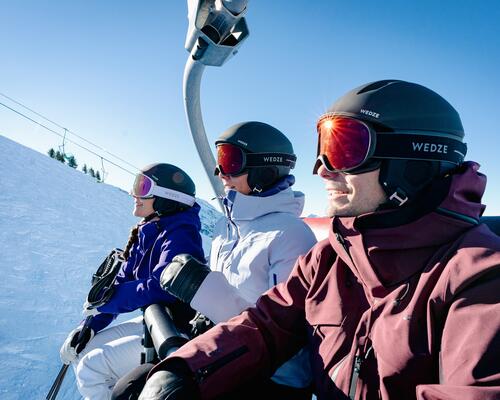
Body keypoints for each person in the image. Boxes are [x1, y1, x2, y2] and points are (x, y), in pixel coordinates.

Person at [138, 80, 500, 400]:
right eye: (324, 146)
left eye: (346, 149)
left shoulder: (479, 278)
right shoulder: (330, 258)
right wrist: (185, 371)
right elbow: (265, 325)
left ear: (414, 162)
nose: (322, 168)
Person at [112, 122, 317, 399]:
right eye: (219, 160)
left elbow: (290, 352)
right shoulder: (226, 226)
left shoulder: (291, 236)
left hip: (269, 379)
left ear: (265, 168)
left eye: (230, 160)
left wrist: (204, 290)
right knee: (127, 389)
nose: (220, 172)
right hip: (217, 349)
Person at [59, 163, 205, 400]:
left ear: (167, 197)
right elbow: (120, 281)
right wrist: (89, 327)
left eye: (143, 186)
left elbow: (162, 286)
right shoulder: (147, 230)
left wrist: (109, 301)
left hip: (175, 330)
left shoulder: (180, 233)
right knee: (84, 349)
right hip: (153, 321)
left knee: (91, 368)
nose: (134, 194)